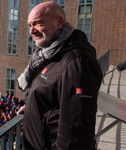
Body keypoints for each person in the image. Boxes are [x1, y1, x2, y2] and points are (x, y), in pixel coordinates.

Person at [17, 1, 102, 150]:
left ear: (59, 22)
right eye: (29, 25)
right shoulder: (52, 52)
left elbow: (76, 132)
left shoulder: (76, 62)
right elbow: (54, 94)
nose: (31, 31)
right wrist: (34, 106)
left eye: (37, 23)